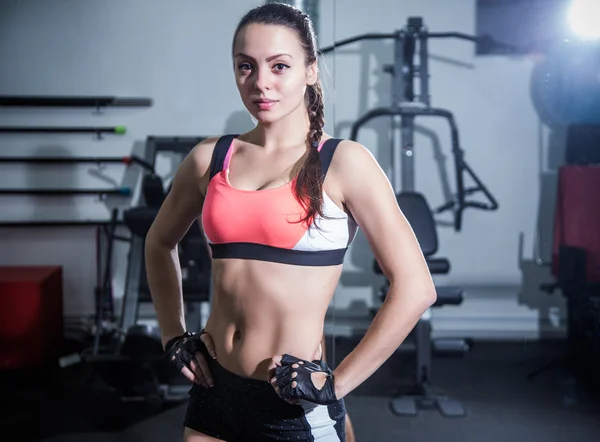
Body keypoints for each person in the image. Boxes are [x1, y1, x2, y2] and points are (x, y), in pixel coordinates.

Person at [145, 3, 436, 441]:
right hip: (213, 391)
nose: (261, 82)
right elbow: (158, 243)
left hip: (292, 402)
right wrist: (172, 336)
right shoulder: (210, 159)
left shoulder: (344, 163)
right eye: (246, 66)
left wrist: (335, 383)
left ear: (311, 70)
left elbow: (416, 287)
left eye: (279, 66)